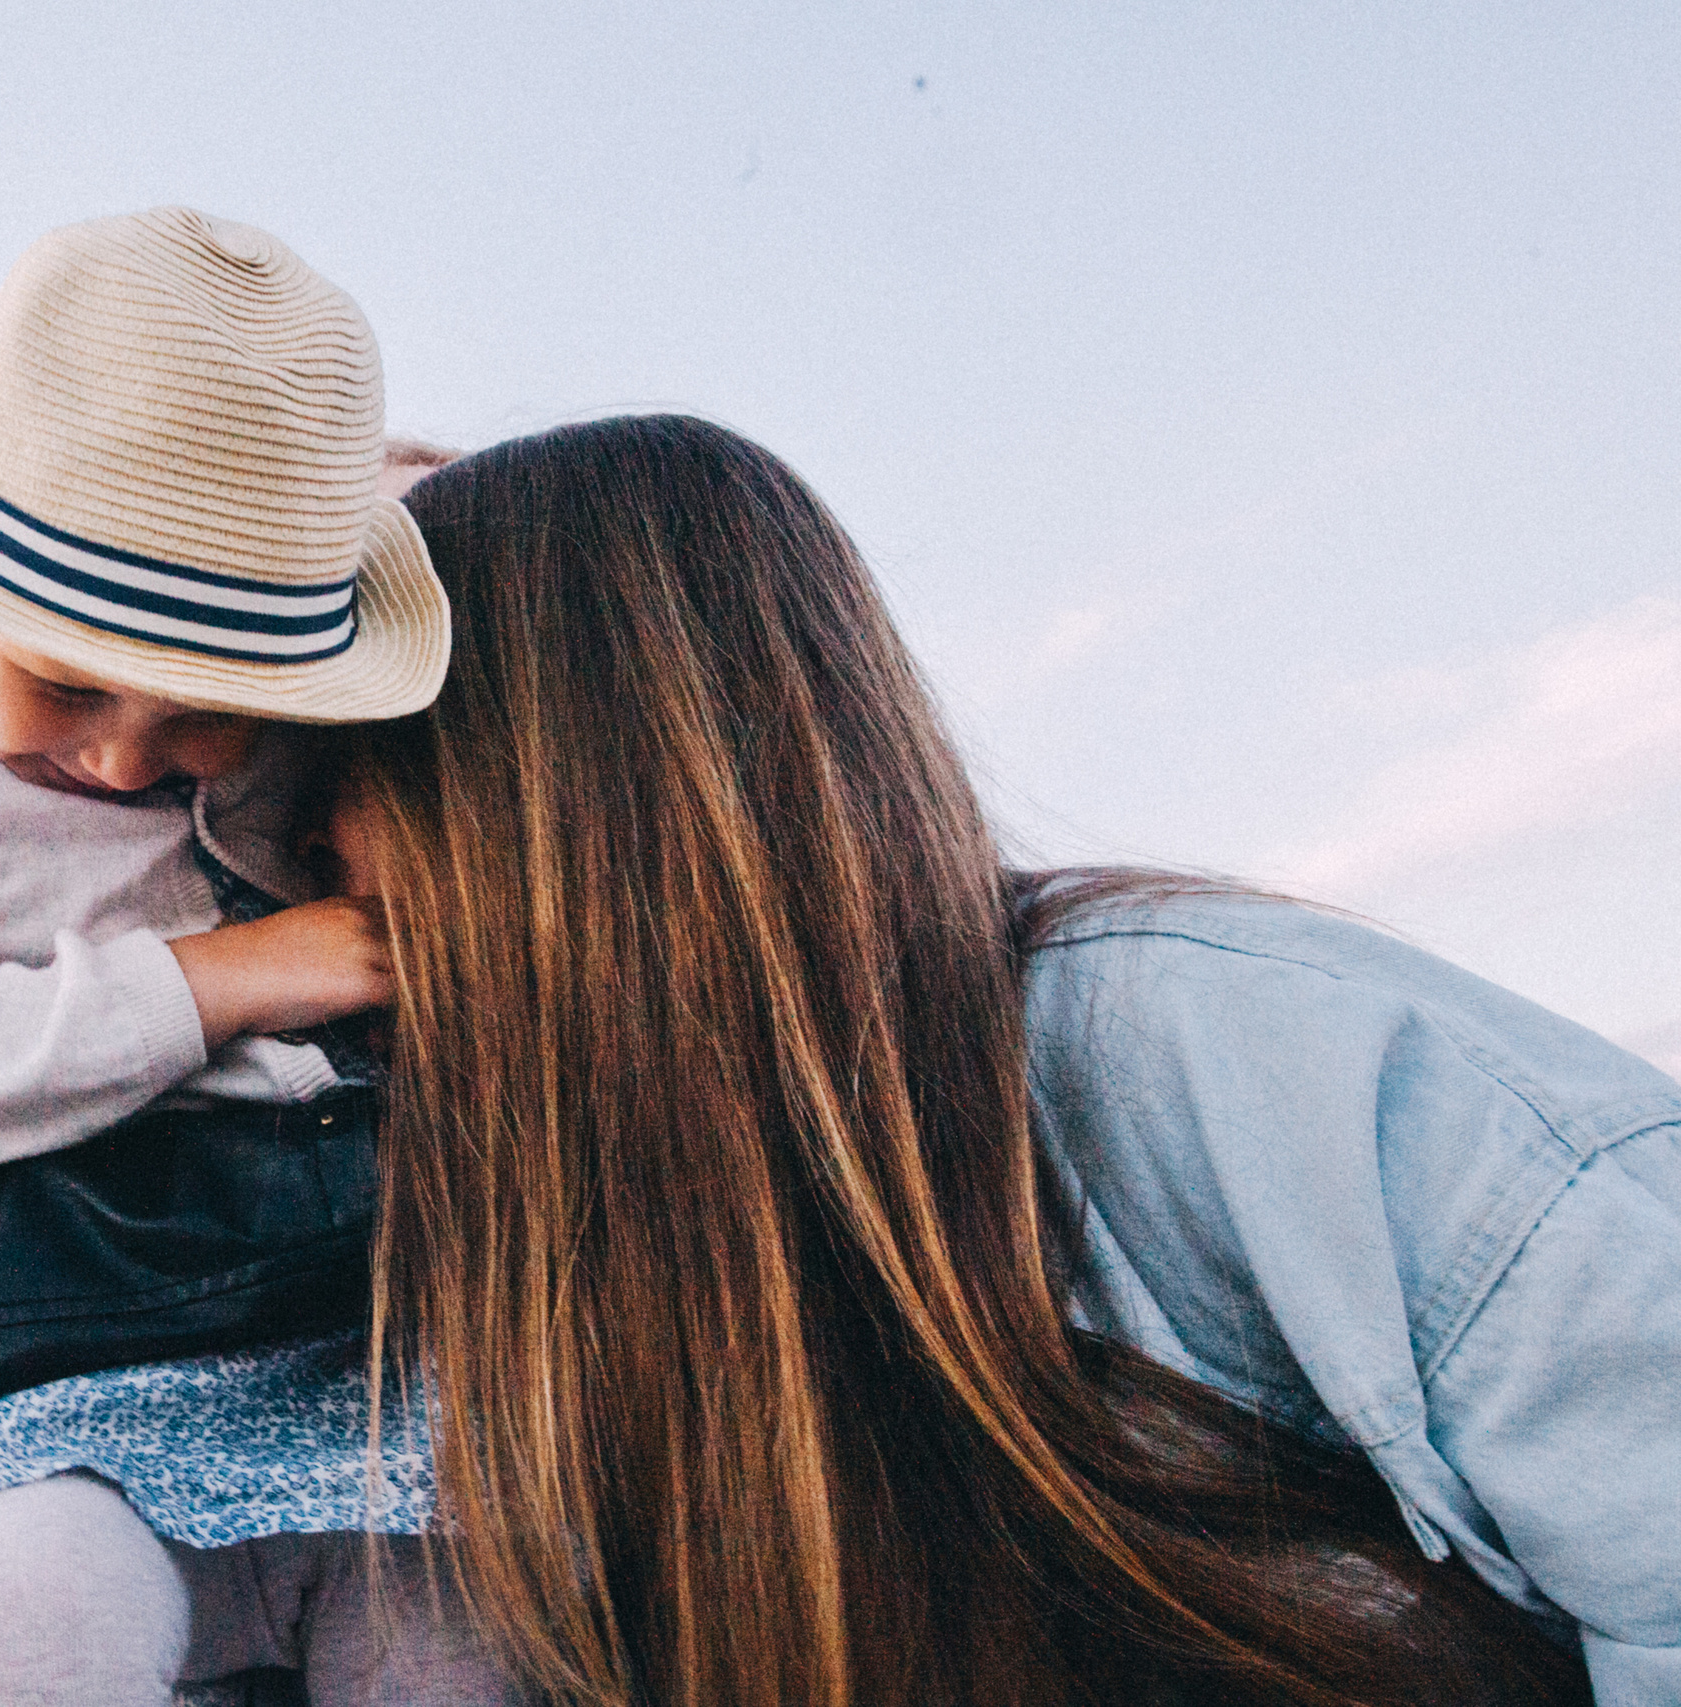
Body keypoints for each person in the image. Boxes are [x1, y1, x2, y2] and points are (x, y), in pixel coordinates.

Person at [325, 414, 1677, 1705]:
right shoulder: (505, 1229)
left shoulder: (1222, 1047)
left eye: (338, 769)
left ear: (532, 782)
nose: (300, 853)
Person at [0, 208, 509, 1704]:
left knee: (465, 1656)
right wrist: (238, 974)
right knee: (13, 1613)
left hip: (375, 1375)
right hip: (72, 1369)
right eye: (59, 686)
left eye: (200, 713)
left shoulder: (322, 754)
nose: (123, 759)